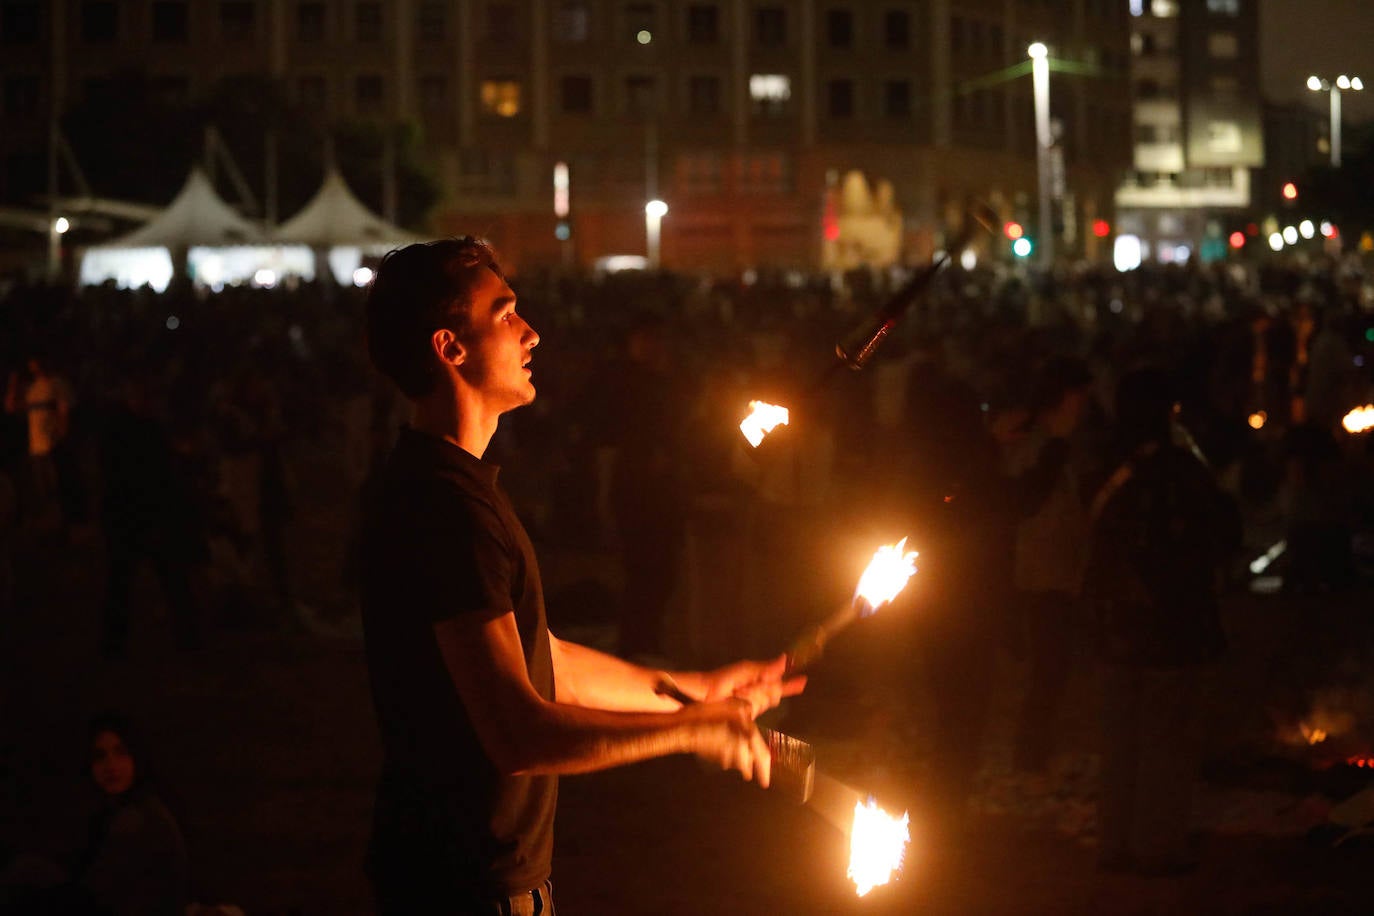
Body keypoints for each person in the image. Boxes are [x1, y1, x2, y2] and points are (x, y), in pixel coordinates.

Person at [358, 238, 805, 915]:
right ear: (450, 348)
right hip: (458, 889)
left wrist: (692, 691)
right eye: (505, 315)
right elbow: (517, 733)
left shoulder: (457, 490)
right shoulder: (445, 509)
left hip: (476, 881)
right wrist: (695, 730)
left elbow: (546, 663)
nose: (531, 331)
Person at [1085, 367, 1240, 876]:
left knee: (1118, 743)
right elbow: (1223, 535)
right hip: (1174, 630)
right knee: (1165, 743)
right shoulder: (1184, 472)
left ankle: (1113, 842)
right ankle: (1157, 846)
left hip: (1114, 627)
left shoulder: (1104, 468)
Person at [76, 712, 189, 915]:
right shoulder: (113, 812)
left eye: (121, 753)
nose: (110, 766)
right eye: (100, 756)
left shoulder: (138, 817)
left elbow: (95, 893)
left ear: (137, 757)